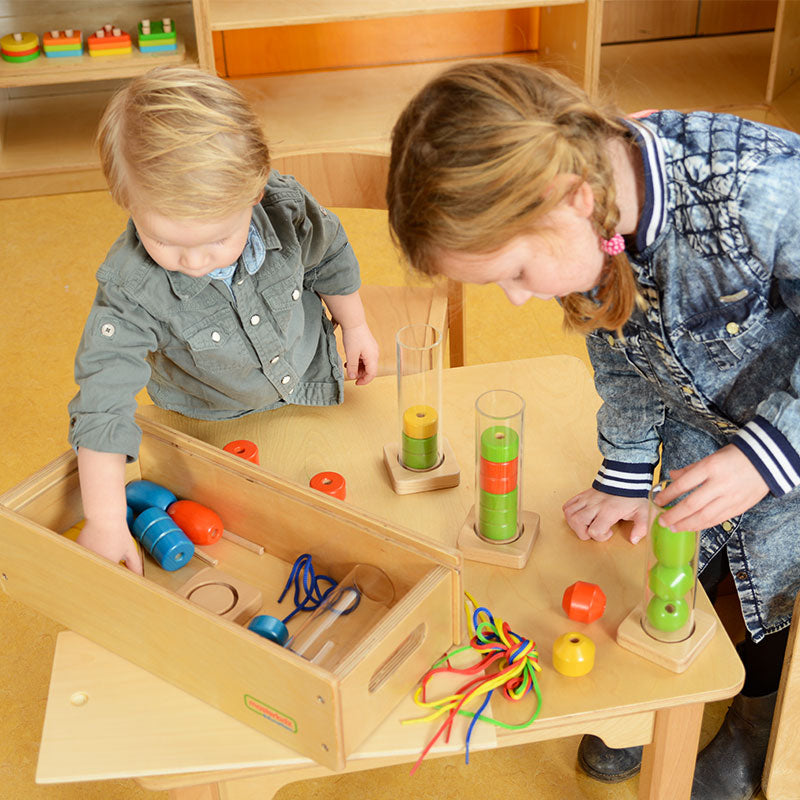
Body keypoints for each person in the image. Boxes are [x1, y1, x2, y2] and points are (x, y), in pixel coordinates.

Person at [385, 60, 800, 800]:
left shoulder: (761, 190)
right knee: (675, 564)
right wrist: (627, 472)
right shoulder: (592, 225)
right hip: (710, 427)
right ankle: (658, 699)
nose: (514, 301)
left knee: (777, 588)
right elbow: (623, 361)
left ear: (573, 199)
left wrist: (766, 459)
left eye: (513, 272)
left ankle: (759, 717)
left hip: (791, 441)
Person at [69, 66, 378, 575]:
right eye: (165, 241)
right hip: (208, 422)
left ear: (254, 194)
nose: (194, 261)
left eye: (217, 240)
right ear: (128, 204)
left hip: (310, 385)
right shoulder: (130, 290)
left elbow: (330, 255)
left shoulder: (285, 206)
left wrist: (356, 325)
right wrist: (104, 519)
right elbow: (103, 400)